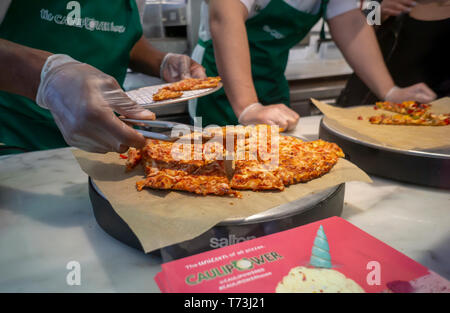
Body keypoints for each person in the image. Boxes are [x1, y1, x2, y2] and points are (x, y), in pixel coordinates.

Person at [189, 0, 437, 130]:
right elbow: (225, 18)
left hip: (272, 79)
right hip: (220, 82)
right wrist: (248, 106)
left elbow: (351, 23)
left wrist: (390, 91)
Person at [0, 0, 205, 155]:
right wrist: (47, 76)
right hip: (18, 138)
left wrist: (160, 62)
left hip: (108, 140)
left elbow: (118, 38)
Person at [337, 0, 449, 107]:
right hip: (364, 101)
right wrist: (379, 12)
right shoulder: (391, 3)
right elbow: (353, 25)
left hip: (424, 110)